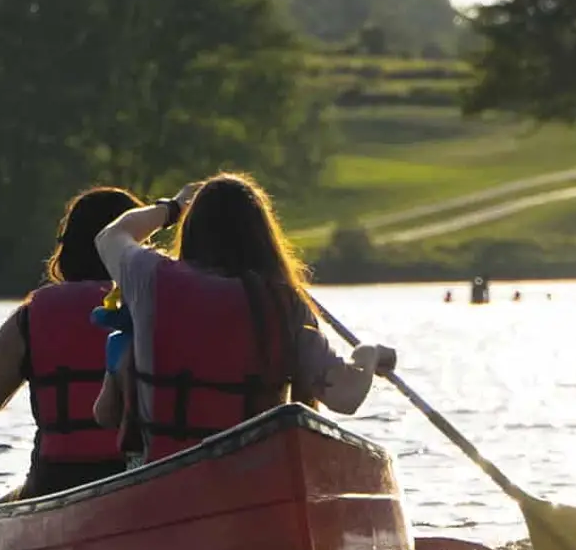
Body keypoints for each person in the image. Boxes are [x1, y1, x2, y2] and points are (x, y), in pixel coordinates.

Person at [91, 174, 396, 463]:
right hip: (252, 475)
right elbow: (345, 396)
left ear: (192, 230)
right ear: (264, 238)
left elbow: (109, 236)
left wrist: (173, 207)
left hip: (168, 471)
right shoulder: (283, 302)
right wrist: (368, 354)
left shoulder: (150, 277)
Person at [0, 187, 142, 498]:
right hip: (141, 476)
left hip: (56, 481)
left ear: (66, 249)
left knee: (11, 499)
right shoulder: (153, 306)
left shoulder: (30, 318)